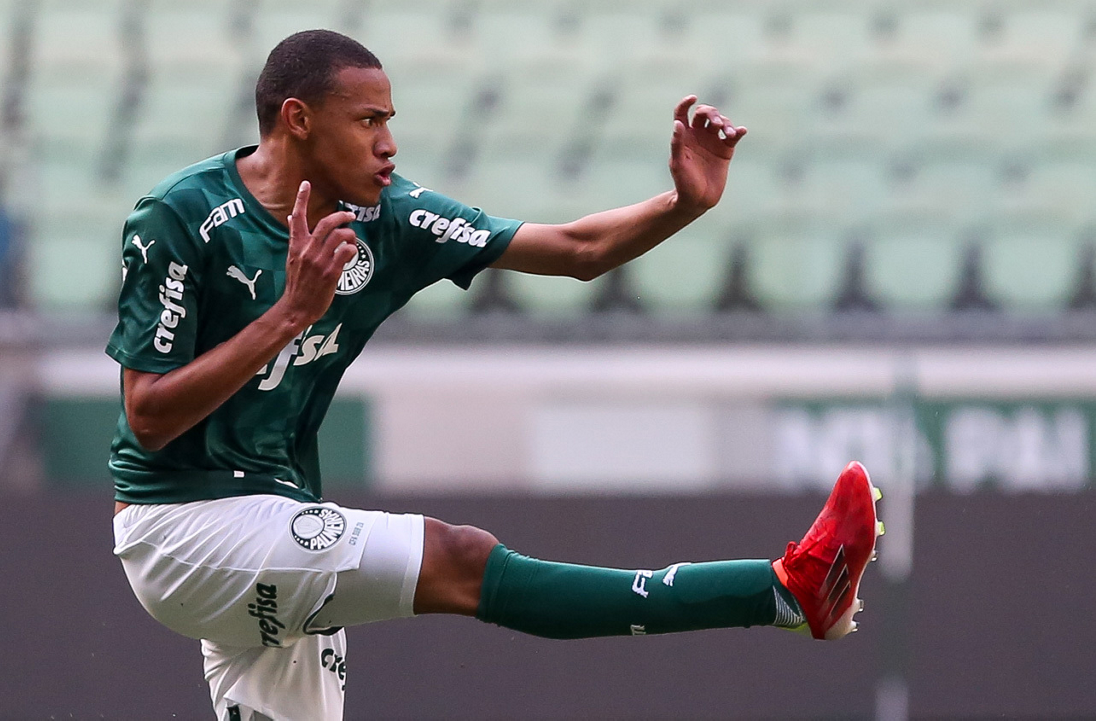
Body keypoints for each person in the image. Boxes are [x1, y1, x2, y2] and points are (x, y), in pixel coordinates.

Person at [108, 29, 882, 721]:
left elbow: (575, 250)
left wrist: (683, 206)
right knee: (461, 558)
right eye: (368, 121)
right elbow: (148, 414)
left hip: (277, 519)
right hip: (180, 527)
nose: (389, 145)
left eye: (390, 122)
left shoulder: (391, 216)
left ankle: (787, 592)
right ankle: (781, 588)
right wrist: (289, 314)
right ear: (298, 119)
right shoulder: (181, 217)